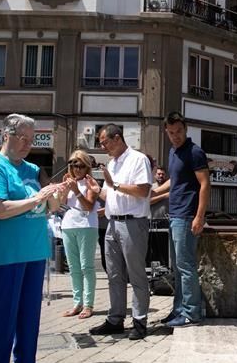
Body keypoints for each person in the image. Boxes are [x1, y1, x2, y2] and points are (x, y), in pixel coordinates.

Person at [0, 114, 61, 363]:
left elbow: (48, 208)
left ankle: (25, 362)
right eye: (22, 138)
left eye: (32, 139)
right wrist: (36, 198)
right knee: (3, 312)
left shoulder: (32, 169)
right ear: (6, 136)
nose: (27, 144)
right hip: (5, 252)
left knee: (29, 311)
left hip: (34, 249)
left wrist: (57, 193)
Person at [89, 124, 153, 338]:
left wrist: (114, 184)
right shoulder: (113, 163)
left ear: (117, 138)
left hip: (133, 224)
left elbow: (143, 190)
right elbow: (109, 194)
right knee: (114, 274)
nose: (102, 146)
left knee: (136, 274)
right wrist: (95, 189)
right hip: (112, 223)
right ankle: (115, 318)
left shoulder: (138, 159)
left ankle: (139, 321)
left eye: (104, 141)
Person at [152, 112, 211, 327]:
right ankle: (178, 310)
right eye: (171, 133)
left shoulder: (195, 152)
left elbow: (205, 184)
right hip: (175, 215)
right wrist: (155, 191)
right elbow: (175, 182)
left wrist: (199, 216)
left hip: (187, 216)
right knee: (177, 268)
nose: (175, 136)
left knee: (186, 268)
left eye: (178, 131)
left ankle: (192, 313)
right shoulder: (173, 152)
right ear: (166, 132)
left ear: (185, 129)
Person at [59, 151, 100, 320]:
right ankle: (77, 303)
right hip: (68, 225)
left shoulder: (91, 182)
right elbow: (61, 204)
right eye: (74, 165)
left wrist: (76, 191)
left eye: (81, 165)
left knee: (86, 266)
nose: (77, 169)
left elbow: (88, 206)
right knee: (73, 267)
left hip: (86, 226)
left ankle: (88, 304)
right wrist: (64, 190)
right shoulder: (69, 181)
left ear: (87, 166)